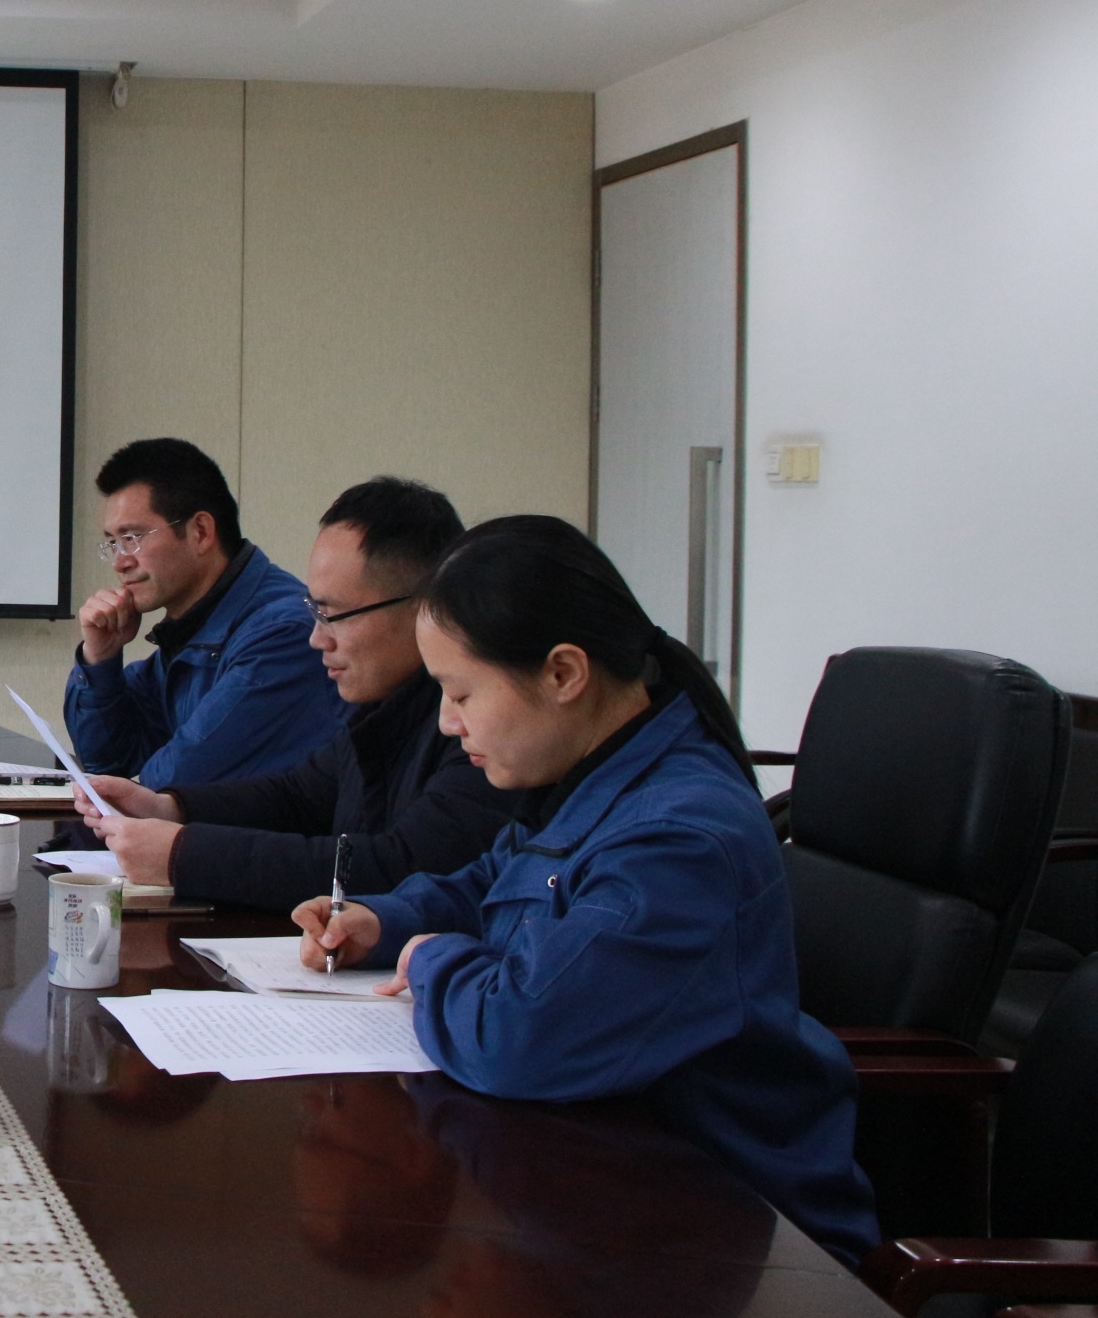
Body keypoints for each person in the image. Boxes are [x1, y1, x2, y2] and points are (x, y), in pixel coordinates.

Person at [293, 516, 877, 1266]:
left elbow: (519, 1038)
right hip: (616, 1186)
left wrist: (433, 959)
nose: (446, 723)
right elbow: (495, 882)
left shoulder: (676, 840)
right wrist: (385, 920)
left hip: (732, 1234)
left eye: (461, 692)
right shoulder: (597, 773)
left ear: (564, 674)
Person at [75, 478, 516, 907]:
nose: (316, 638)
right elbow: (299, 796)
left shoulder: (480, 728)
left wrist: (184, 855)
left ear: (423, 609)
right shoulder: (381, 705)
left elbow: (400, 866)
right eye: (314, 612)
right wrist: (168, 808)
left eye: (333, 615)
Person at [64, 438, 345, 786]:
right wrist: (100, 658)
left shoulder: (283, 633)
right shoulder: (190, 628)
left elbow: (183, 779)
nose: (120, 562)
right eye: (112, 543)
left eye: (132, 538)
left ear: (200, 532)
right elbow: (106, 760)